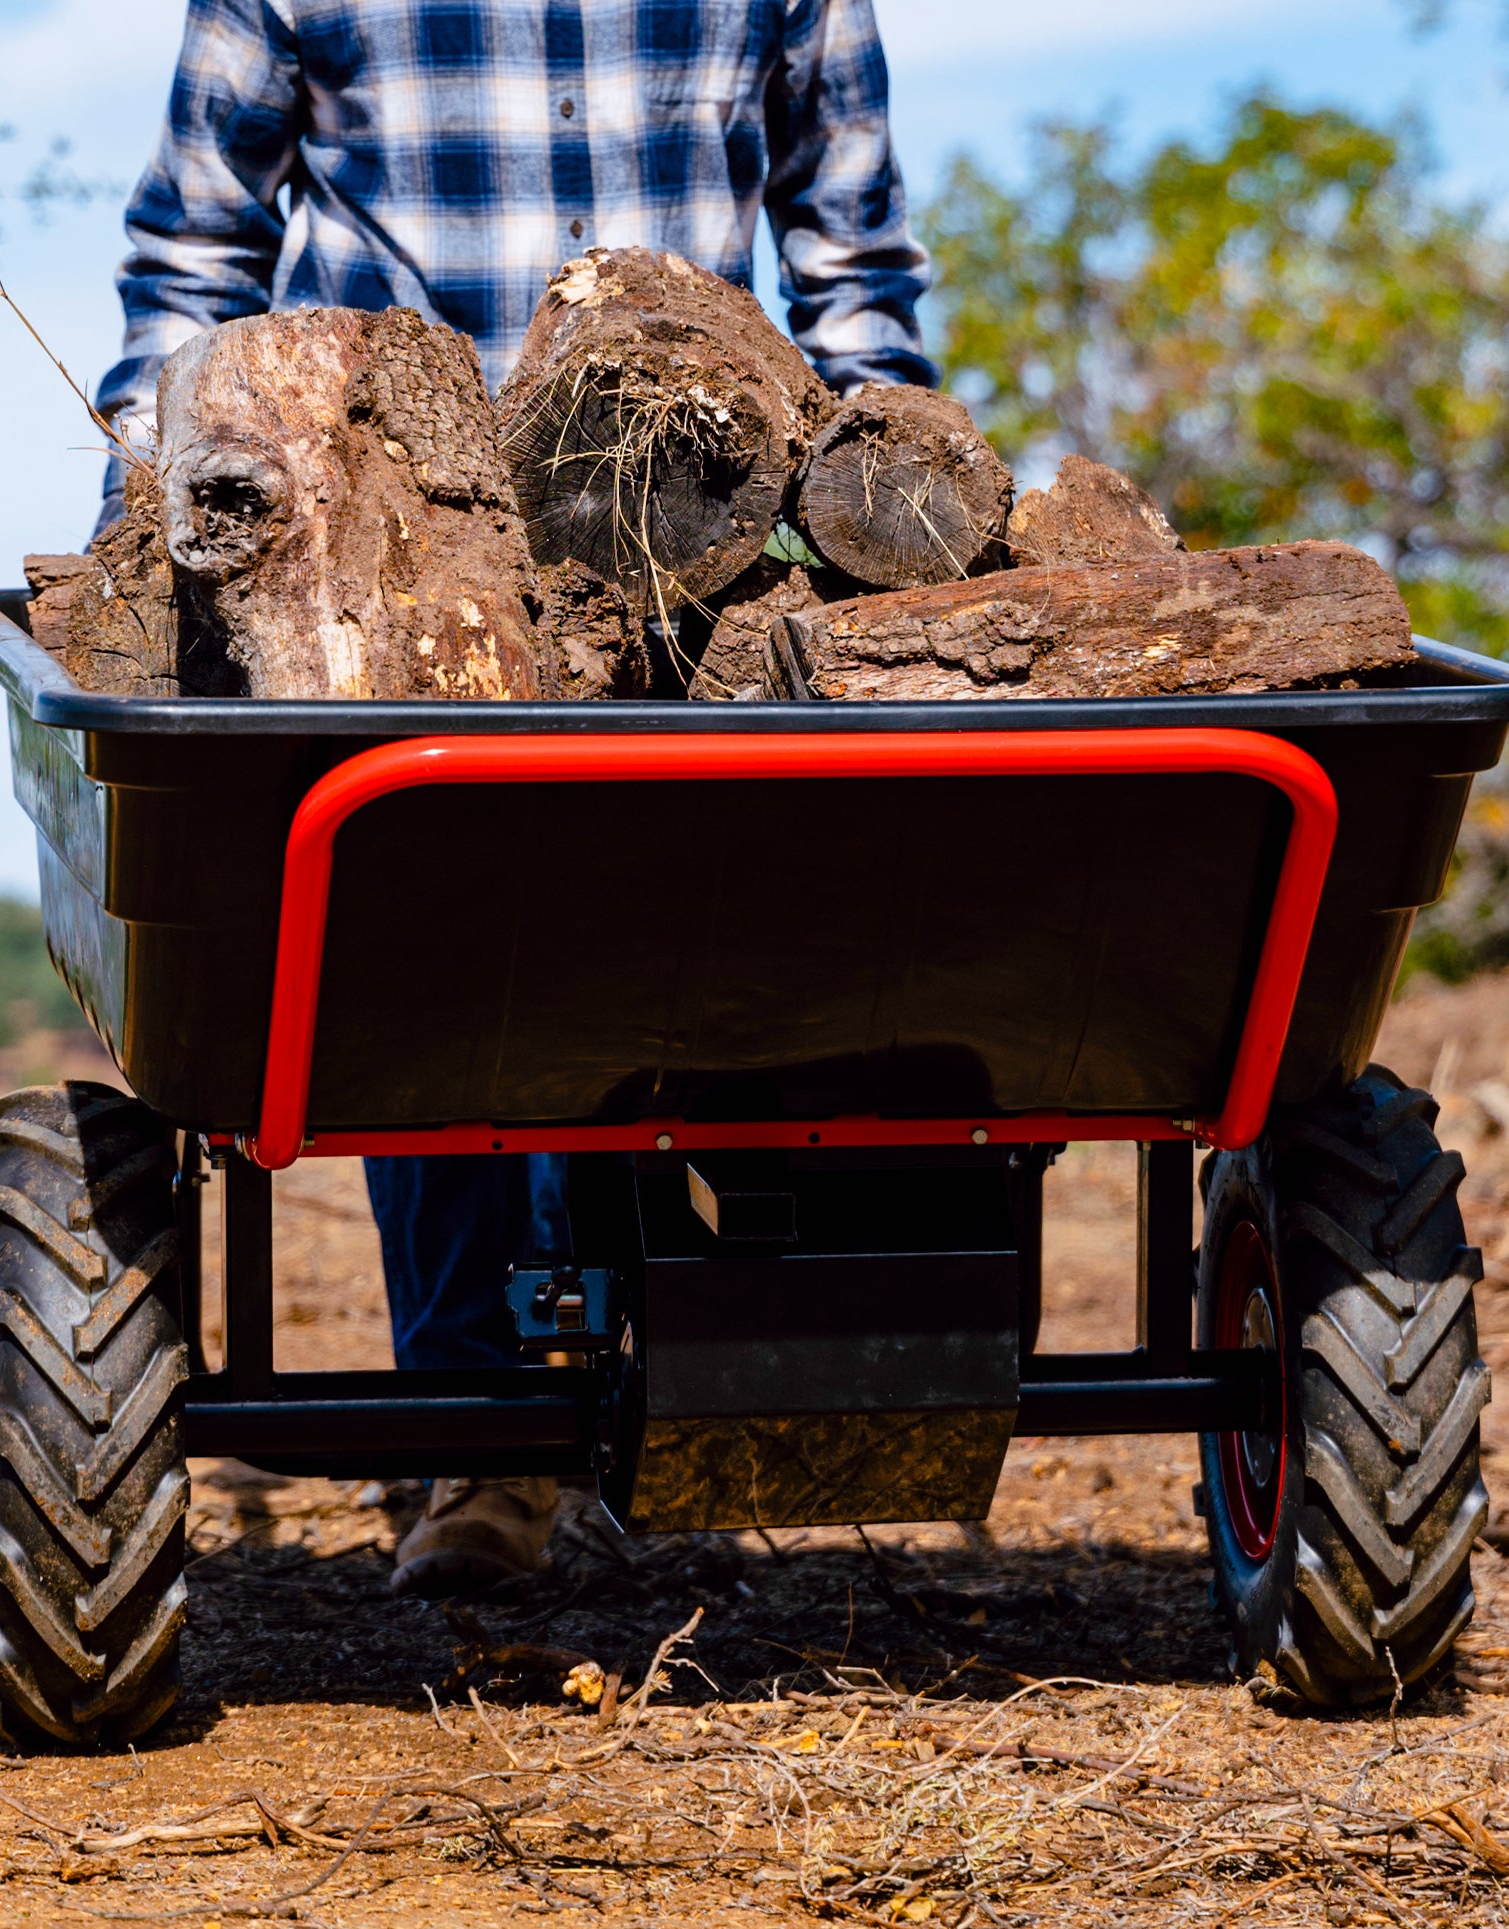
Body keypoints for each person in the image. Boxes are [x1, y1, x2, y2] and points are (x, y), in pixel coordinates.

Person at [94, 0, 935, 1597]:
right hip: (383, 542)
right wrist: (152, 512)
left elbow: (851, 250)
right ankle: (474, 1434)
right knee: (429, 963)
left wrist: (875, 501)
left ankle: (637, 1390)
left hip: (701, 535)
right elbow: (198, 249)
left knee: (667, 959)